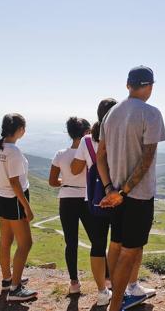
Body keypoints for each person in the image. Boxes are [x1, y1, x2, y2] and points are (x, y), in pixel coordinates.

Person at [98, 66, 165, 311]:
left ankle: (113, 301)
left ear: (128, 85)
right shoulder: (151, 113)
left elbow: (100, 155)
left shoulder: (111, 113)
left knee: (116, 244)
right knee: (130, 251)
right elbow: (146, 159)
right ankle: (116, 306)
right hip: (137, 195)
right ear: (149, 86)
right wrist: (124, 192)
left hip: (115, 194)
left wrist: (109, 189)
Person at [70, 98, 116, 306]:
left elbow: (75, 169)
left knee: (98, 245)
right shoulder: (118, 139)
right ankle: (119, 284)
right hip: (118, 199)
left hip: (95, 201)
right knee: (119, 244)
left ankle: (101, 291)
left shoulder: (87, 141)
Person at [0, 113, 38, 301]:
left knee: (6, 240)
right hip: (14, 199)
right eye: (23, 128)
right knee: (25, 243)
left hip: (0, 195)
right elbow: (15, 182)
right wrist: (26, 207)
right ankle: (15, 289)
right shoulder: (14, 152)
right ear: (19, 130)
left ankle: (7, 280)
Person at [48, 117, 93, 295]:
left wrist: (66, 181)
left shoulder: (60, 154)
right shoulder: (89, 153)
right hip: (86, 198)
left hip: (66, 199)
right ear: (85, 133)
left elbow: (52, 181)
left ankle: (74, 283)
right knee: (96, 239)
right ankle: (106, 277)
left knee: (71, 242)